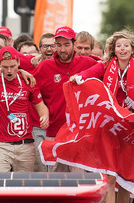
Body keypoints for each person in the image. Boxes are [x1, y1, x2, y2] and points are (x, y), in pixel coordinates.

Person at [73, 29, 134, 203]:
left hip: (131, 128)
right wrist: (78, 78)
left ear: (133, 49)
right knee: (110, 179)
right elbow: (89, 73)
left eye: (126, 46)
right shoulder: (106, 66)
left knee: (125, 181)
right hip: (109, 127)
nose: (122, 49)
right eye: (118, 46)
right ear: (113, 49)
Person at [33, 26, 97, 171]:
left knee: (79, 184)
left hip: (79, 135)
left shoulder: (88, 64)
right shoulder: (45, 66)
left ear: (74, 45)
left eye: (66, 45)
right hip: (55, 133)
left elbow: (107, 68)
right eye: (59, 45)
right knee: (56, 185)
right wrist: (42, 109)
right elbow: (30, 88)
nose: (62, 49)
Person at [0, 46, 49, 172]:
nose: (9, 71)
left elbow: (41, 106)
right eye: (5, 67)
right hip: (1, 145)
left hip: (25, 145)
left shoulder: (28, 81)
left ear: (18, 63)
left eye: (13, 66)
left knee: (23, 188)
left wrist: (44, 116)